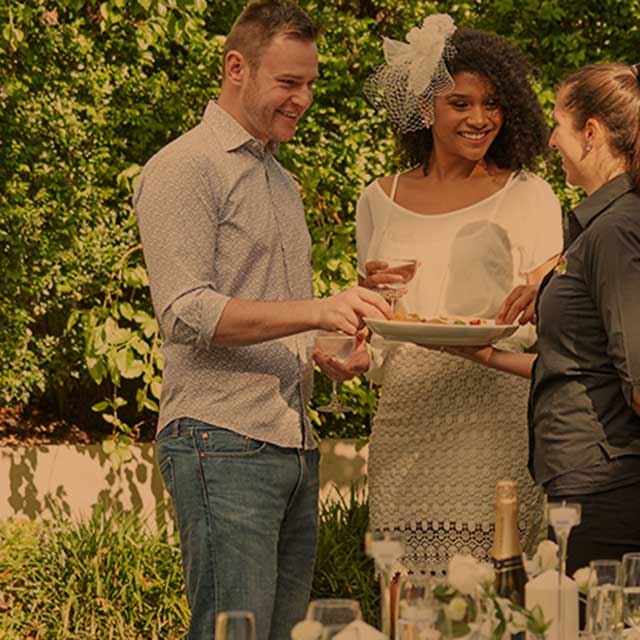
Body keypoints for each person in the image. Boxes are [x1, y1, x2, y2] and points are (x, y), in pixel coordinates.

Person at [133, 2, 390, 639]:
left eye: (310, 83)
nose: (303, 99)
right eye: (287, 82)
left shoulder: (282, 180)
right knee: (234, 634)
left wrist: (325, 348)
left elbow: (274, 317)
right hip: (221, 440)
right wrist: (318, 308)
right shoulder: (184, 167)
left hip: (292, 445)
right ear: (235, 67)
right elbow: (185, 310)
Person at [326, 15, 564, 575]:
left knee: (491, 590)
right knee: (405, 592)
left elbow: (547, 316)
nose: (481, 119)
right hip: (407, 416)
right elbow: (377, 314)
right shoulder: (377, 199)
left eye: (492, 104)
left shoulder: (529, 194)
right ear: (425, 107)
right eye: (461, 104)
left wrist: (537, 289)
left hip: (497, 414)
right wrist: (362, 316)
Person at [454, 61, 640, 576]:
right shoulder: (595, 227)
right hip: (583, 476)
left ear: (592, 132)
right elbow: (578, 366)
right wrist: (487, 355)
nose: (551, 142)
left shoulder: (615, 232)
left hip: (607, 487)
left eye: (558, 124)